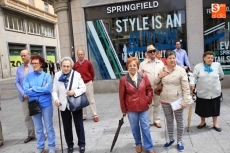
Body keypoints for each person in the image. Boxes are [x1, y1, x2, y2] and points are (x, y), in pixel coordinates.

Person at [156, 51, 191, 152]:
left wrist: (185, 101)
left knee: (179, 121)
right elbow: (154, 82)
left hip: (177, 101)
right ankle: (171, 139)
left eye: (174, 58)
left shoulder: (181, 71)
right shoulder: (162, 69)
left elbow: (186, 87)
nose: (172, 60)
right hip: (164, 100)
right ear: (165, 60)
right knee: (169, 121)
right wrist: (159, 76)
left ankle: (180, 141)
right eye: (170, 58)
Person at [119, 57, 155, 153]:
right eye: (130, 65)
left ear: (137, 66)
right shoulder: (123, 80)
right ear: (127, 67)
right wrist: (124, 109)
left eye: (134, 65)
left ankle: (149, 147)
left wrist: (147, 100)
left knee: (145, 127)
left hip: (143, 107)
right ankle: (138, 144)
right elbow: (121, 96)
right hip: (131, 108)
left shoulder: (143, 76)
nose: (132, 67)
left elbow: (149, 90)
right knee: (135, 127)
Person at [52, 57, 86, 153]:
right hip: (63, 104)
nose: (66, 68)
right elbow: (54, 91)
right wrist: (56, 99)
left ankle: (82, 144)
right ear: (60, 66)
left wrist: (74, 92)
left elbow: (83, 88)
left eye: (68, 66)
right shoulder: (57, 75)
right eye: (64, 66)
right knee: (67, 126)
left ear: (71, 66)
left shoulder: (76, 75)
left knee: (79, 124)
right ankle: (69, 145)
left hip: (75, 103)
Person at [23, 55, 55, 153]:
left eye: (36, 63)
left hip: (46, 104)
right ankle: (40, 147)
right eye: (33, 63)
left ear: (41, 63)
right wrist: (40, 90)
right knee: (38, 127)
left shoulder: (47, 76)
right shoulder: (28, 76)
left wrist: (33, 89)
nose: (34, 65)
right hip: (33, 104)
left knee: (49, 126)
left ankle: (51, 146)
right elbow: (26, 91)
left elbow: (48, 89)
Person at [190, 51, 224, 132]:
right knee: (202, 108)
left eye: (212, 58)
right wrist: (192, 83)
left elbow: (221, 75)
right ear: (204, 58)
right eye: (208, 58)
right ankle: (202, 122)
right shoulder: (198, 67)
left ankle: (215, 123)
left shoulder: (217, 65)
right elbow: (193, 77)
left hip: (215, 92)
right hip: (202, 91)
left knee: (215, 108)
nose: (210, 59)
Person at [139, 45, 164, 128]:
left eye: (154, 51)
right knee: (147, 105)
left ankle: (157, 120)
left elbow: (164, 74)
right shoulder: (142, 64)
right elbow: (139, 76)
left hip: (157, 87)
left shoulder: (160, 63)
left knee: (157, 104)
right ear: (147, 53)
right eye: (150, 51)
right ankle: (148, 121)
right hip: (147, 88)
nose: (153, 53)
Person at [15, 50, 35, 143]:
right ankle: (31, 134)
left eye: (24, 55)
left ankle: (41, 134)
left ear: (29, 55)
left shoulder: (34, 66)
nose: (23, 57)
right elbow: (17, 82)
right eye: (21, 56)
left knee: (38, 114)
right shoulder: (19, 69)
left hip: (34, 95)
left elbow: (38, 80)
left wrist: (31, 92)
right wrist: (23, 93)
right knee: (27, 116)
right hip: (24, 97)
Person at [73, 49, 99, 122]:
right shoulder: (75, 65)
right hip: (80, 84)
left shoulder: (88, 63)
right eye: (79, 54)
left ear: (84, 55)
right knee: (82, 100)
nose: (80, 56)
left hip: (88, 82)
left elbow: (92, 73)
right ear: (77, 55)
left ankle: (95, 115)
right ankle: (84, 115)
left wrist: (90, 80)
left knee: (91, 99)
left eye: (82, 54)